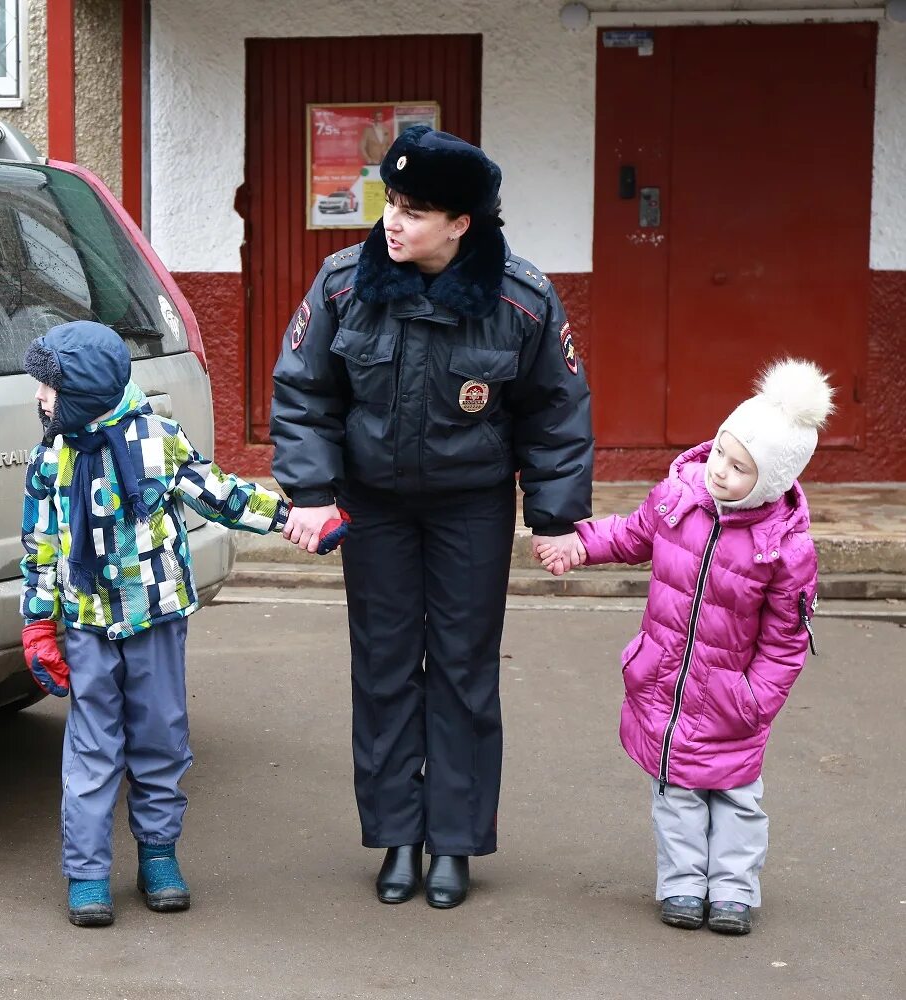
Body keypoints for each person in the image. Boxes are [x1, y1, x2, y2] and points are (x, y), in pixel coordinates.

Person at [271, 125, 593, 909]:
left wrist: (554, 516)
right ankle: (395, 836)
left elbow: (556, 410)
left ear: (462, 224)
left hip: (469, 509)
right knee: (382, 670)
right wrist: (311, 492)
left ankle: (453, 842)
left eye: (416, 211)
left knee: (462, 672)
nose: (393, 221)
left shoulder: (520, 297)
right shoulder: (345, 282)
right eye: (393, 202)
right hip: (374, 507)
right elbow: (304, 391)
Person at [20, 320, 344, 927]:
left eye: (49, 387)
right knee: (92, 751)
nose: (39, 398)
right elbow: (39, 544)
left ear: (86, 390)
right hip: (89, 626)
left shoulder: (157, 441)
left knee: (161, 739)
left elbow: (220, 493)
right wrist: (39, 625)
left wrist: (292, 519)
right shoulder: (52, 456)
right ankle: (87, 872)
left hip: (157, 620)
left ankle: (159, 856)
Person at [537, 358, 831, 935]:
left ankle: (732, 891)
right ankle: (681, 884)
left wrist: (755, 700)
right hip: (667, 684)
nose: (720, 470)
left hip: (731, 699)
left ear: (770, 480)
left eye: (741, 467)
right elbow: (630, 534)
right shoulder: (679, 498)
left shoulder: (785, 551)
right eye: (720, 451)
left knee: (737, 799)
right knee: (676, 793)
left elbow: (786, 641)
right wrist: (579, 546)